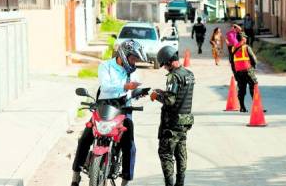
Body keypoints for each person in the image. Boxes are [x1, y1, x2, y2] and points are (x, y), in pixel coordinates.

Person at [70, 40, 147, 186]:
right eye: (133, 58)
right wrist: (125, 86)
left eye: (136, 60)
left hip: (124, 108)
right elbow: (105, 87)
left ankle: (126, 180)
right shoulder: (105, 66)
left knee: (129, 144)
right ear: (124, 55)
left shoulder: (135, 72)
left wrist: (138, 93)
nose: (134, 62)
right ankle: (75, 175)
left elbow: (131, 93)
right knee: (85, 137)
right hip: (104, 106)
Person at [150, 46, 195, 186]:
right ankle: (180, 183)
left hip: (172, 124)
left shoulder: (173, 76)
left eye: (164, 64)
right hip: (184, 121)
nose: (164, 67)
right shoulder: (189, 74)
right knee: (181, 153)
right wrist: (163, 92)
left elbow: (170, 101)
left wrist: (156, 96)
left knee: (166, 154)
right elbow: (178, 95)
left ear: (169, 61)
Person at [232, 33, 258, 113]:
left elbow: (232, 62)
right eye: (245, 38)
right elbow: (254, 59)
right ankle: (256, 106)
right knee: (253, 86)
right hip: (248, 70)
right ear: (243, 39)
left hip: (239, 71)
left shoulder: (233, 48)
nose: (246, 39)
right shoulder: (246, 47)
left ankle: (242, 107)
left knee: (241, 89)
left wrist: (235, 73)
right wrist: (253, 67)